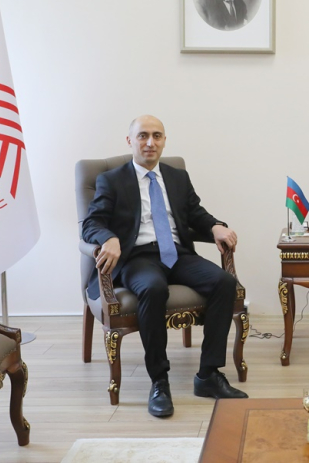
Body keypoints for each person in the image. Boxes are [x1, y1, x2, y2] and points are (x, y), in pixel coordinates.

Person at [82, 115, 247, 418]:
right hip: (137, 257)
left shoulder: (177, 177)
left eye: (157, 136)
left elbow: (196, 213)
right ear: (130, 141)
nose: (150, 142)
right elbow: (91, 223)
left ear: (164, 141)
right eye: (143, 135)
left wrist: (215, 226)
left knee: (225, 282)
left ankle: (208, 375)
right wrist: (109, 238)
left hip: (177, 253)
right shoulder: (112, 180)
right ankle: (159, 381)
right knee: (154, 288)